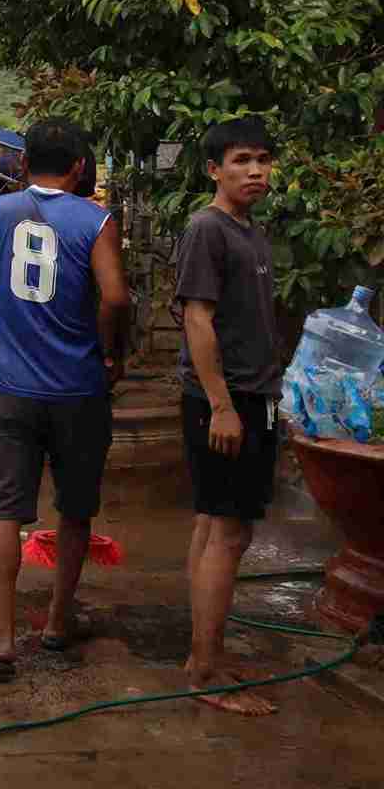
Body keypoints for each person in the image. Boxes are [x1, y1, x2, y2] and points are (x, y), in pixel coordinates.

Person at [0, 118, 129, 678]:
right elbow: (117, 298)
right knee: (75, 508)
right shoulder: (96, 219)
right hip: (79, 389)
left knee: (3, 510)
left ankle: (1, 637)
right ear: (80, 167)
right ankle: (57, 622)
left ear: (23, 164)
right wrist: (111, 354)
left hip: (11, 389)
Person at [174, 116, 282, 715]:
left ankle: (202, 656)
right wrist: (222, 406)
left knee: (213, 525)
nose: (256, 170)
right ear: (214, 169)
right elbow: (197, 320)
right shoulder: (207, 229)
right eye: (242, 160)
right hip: (227, 401)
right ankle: (208, 671)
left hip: (248, 397)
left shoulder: (249, 231)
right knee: (230, 533)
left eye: (263, 159)